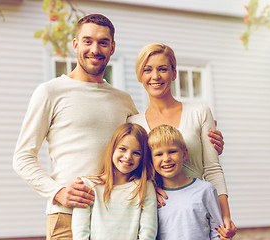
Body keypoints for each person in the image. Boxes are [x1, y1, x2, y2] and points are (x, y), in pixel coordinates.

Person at [13, 14, 224, 239]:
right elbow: (23, 158)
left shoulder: (122, 99)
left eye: (103, 42)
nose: (95, 49)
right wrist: (58, 192)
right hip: (69, 214)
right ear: (75, 44)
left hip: (120, 219)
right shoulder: (50, 92)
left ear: (112, 48)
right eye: (87, 41)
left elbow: (148, 145)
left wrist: (201, 141)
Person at [128, 43, 236, 238]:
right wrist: (150, 188)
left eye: (163, 69)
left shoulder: (200, 112)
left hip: (194, 212)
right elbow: (132, 173)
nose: (155, 76)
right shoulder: (133, 123)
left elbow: (212, 168)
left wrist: (224, 216)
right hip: (154, 214)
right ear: (139, 76)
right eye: (148, 70)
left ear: (174, 73)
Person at [71, 123, 157, 240]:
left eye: (136, 153)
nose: (128, 156)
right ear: (113, 148)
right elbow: (80, 234)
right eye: (122, 149)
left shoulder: (145, 187)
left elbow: (148, 233)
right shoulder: (88, 186)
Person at [148, 124, 227, 240]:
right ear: (151, 160)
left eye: (172, 151)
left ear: (184, 154)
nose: (166, 159)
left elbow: (218, 234)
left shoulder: (206, 190)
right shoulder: (152, 197)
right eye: (159, 154)